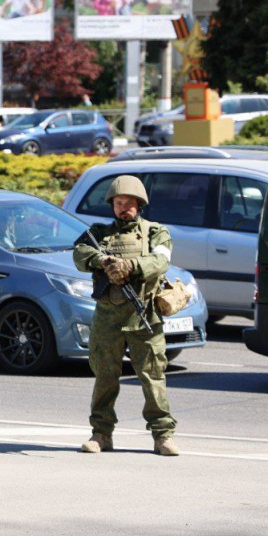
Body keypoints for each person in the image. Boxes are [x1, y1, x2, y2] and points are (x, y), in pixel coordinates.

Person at [72, 175, 179, 456]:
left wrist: (130, 266)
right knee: (105, 378)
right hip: (108, 317)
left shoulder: (156, 232)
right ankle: (101, 434)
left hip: (144, 315)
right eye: (119, 203)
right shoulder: (99, 232)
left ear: (139, 204)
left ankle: (163, 435)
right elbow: (79, 253)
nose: (123, 208)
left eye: (129, 203)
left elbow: (161, 261)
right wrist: (102, 260)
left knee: (152, 377)